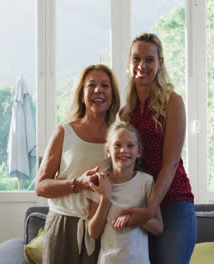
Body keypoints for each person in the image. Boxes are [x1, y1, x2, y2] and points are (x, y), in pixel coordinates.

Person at [118, 32, 197, 263]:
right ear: (129, 63)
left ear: (159, 64)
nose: (142, 65)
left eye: (149, 59)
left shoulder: (173, 102)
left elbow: (171, 163)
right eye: (136, 59)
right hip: (141, 206)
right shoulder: (125, 113)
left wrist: (151, 209)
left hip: (173, 205)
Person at [35, 64, 121, 264]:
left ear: (112, 96)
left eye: (105, 86)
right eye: (91, 85)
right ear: (82, 95)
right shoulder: (64, 132)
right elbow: (40, 187)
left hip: (99, 228)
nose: (98, 90)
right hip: (62, 225)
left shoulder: (118, 138)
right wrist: (78, 184)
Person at [84, 121, 163, 264]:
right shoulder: (101, 183)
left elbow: (158, 227)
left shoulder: (146, 182)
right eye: (117, 145)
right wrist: (105, 198)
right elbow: (93, 232)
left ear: (138, 152)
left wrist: (135, 218)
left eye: (130, 145)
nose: (123, 150)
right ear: (108, 151)